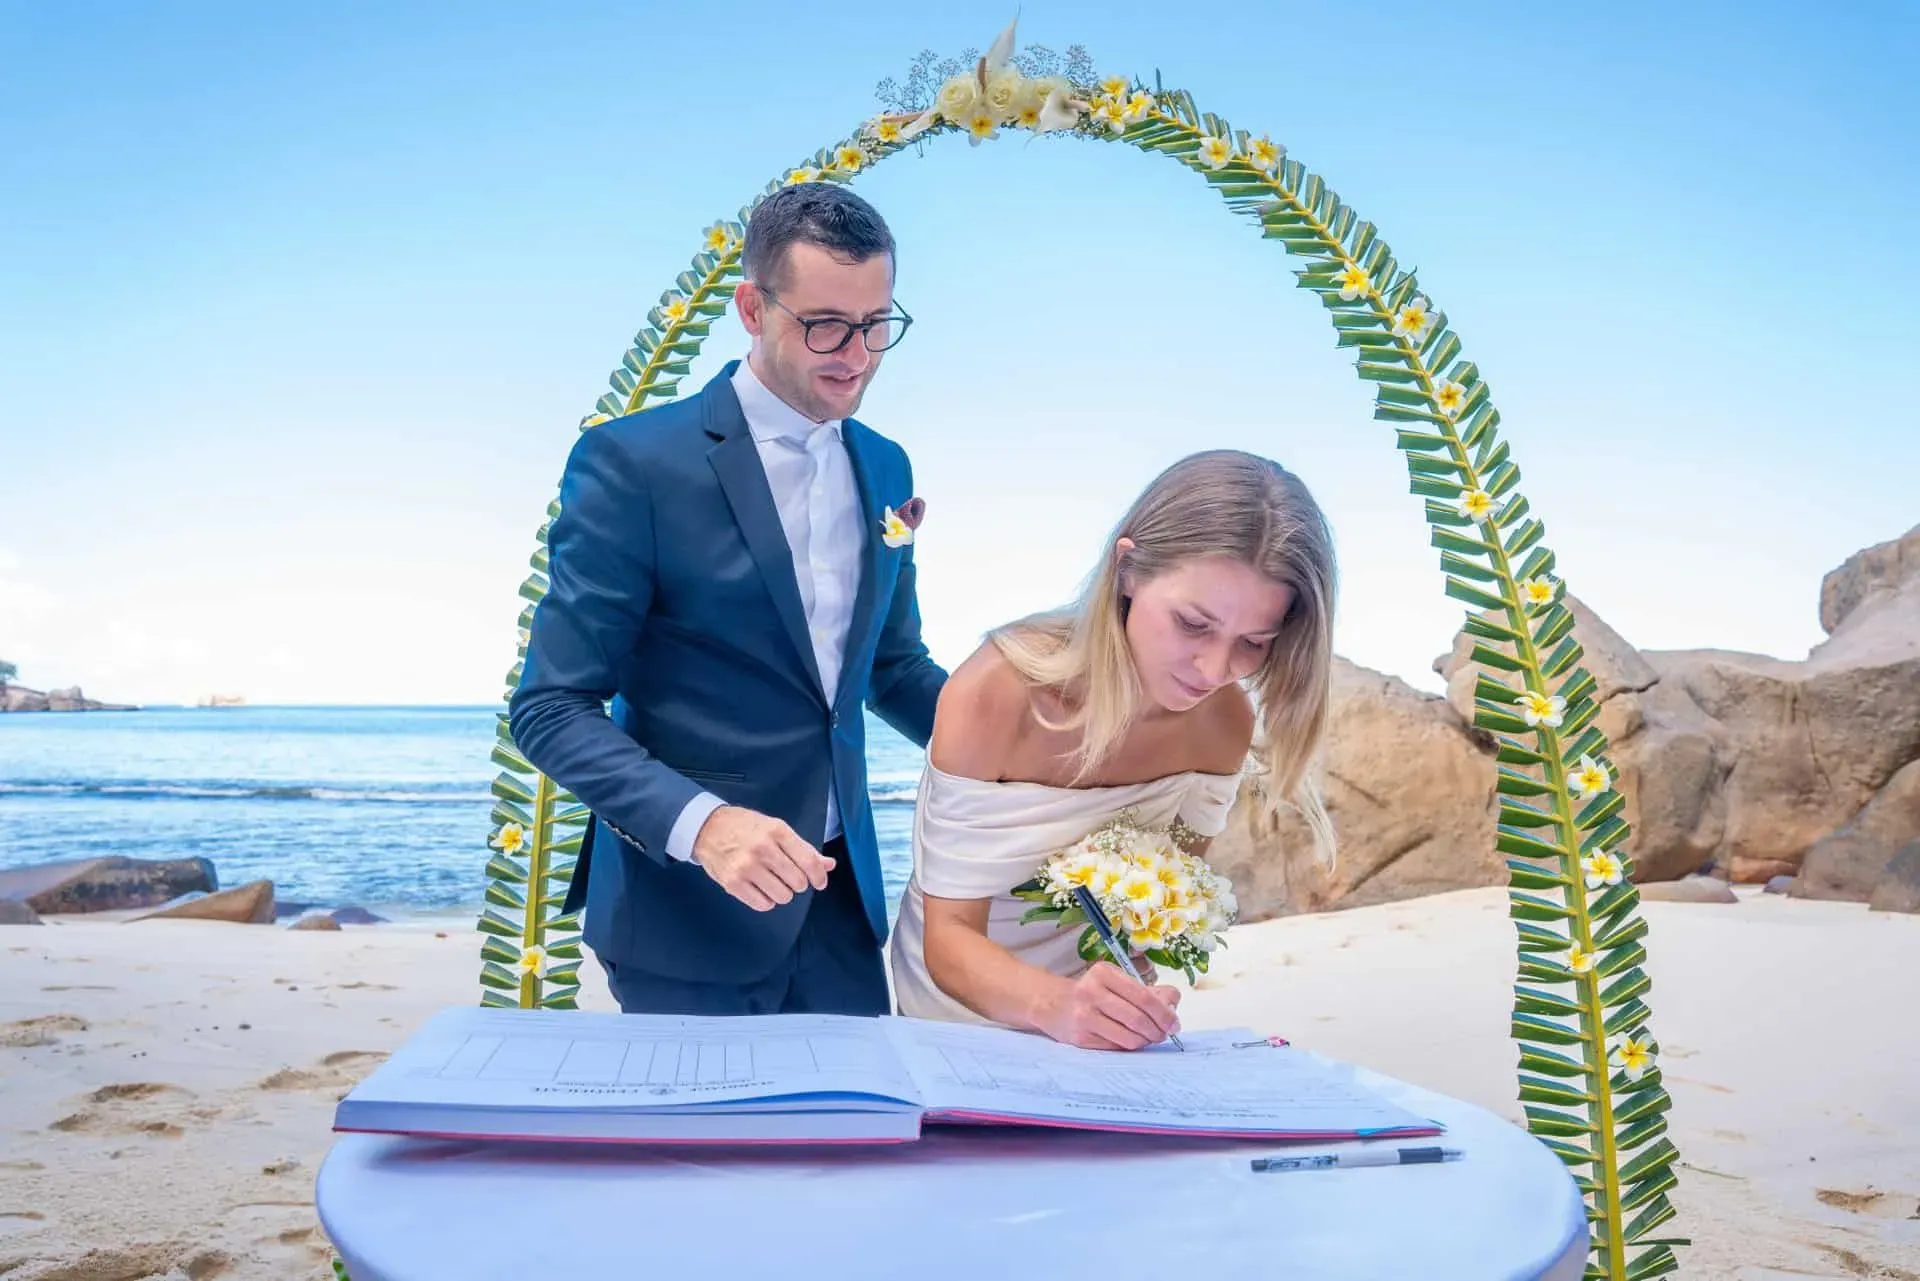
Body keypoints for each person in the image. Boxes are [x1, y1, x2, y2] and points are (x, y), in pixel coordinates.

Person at [509, 183, 946, 1016]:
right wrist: (705, 826)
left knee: (857, 1107)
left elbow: (892, 668)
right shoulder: (633, 462)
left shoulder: (887, 464)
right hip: (683, 913)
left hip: (840, 907)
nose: (855, 355)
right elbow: (550, 707)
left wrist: (1040, 748)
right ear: (752, 308)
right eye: (824, 324)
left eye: (875, 324)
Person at [888, 450, 1338, 1050]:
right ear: (1127, 570)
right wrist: (1057, 1005)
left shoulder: (1223, 722)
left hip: (1094, 1037)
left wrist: (1127, 993)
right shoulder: (997, 691)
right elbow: (946, 940)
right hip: (952, 1015)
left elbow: (1161, 898)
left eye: (1254, 642)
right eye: (1193, 624)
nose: (1214, 670)